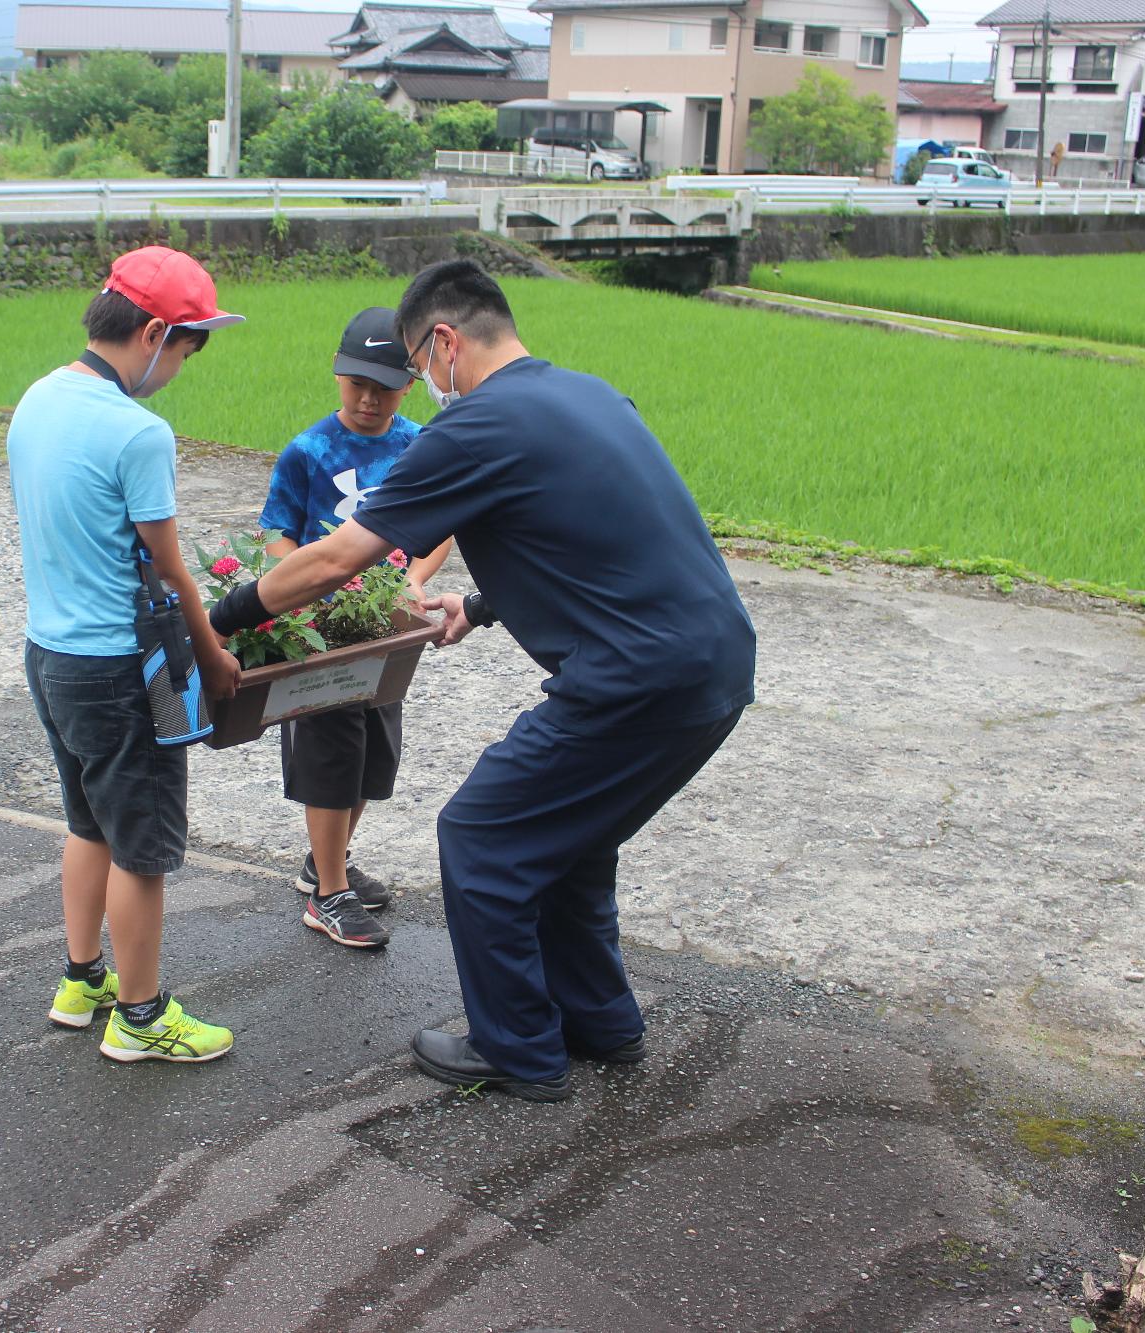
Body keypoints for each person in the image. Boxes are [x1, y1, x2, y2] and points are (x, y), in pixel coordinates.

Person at [211, 260, 756, 1101]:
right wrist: (482, 601)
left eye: (420, 366)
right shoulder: (591, 396)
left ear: (445, 342)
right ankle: (603, 1024)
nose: (424, 384)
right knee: (570, 839)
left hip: (634, 678)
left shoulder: (474, 427)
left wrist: (226, 615)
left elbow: (335, 558)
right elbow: (594, 533)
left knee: (483, 836)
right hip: (713, 662)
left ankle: (518, 1050)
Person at [6, 246, 244, 1064]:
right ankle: (141, 1020)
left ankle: (84, 980)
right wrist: (213, 656)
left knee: (87, 821)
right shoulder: (138, 431)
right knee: (141, 845)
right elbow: (171, 570)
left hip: (50, 656)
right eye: (185, 348)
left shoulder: (37, 398)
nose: (181, 365)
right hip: (121, 670)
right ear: (152, 333)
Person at [255, 306, 452, 951]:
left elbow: (439, 527)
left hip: (386, 629)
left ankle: (324, 862)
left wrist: (413, 583)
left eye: (386, 386)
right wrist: (303, 593)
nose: (369, 399)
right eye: (356, 383)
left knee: (370, 758)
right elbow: (279, 535)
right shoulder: (308, 452)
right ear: (338, 376)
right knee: (330, 754)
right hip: (321, 632)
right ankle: (328, 894)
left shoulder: (422, 446)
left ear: (409, 381)